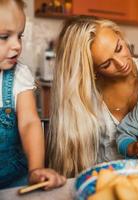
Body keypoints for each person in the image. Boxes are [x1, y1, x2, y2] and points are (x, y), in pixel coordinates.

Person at [46, 16, 138, 178]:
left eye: (119, 48)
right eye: (106, 64)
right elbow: (71, 164)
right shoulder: (83, 97)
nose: (121, 63)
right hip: (105, 179)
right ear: (92, 70)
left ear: (120, 36)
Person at [0, 0, 66, 189]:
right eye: (4, 36)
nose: (17, 46)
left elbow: (29, 122)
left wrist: (36, 169)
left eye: (19, 36)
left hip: (15, 181)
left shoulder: (19, 75)